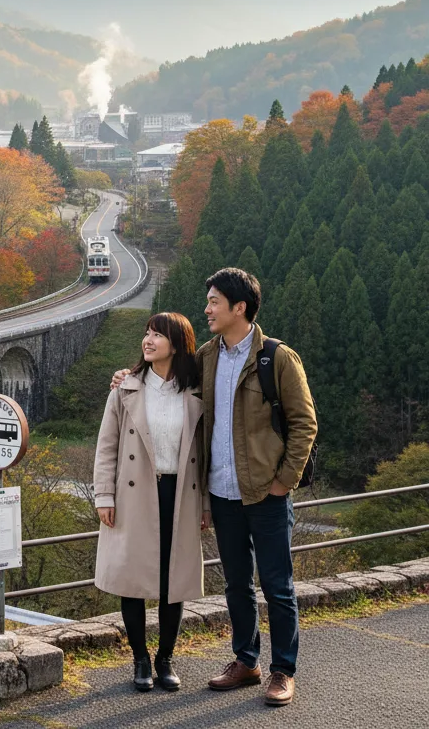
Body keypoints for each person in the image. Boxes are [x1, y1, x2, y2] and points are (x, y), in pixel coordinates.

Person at [109, 268, 317, 707]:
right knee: (237, 584)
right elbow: (157, 378)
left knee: (277, 585)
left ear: (239, 307)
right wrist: (123, 378)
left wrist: (284, 481)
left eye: (214, 302)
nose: (206, 309)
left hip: (265, 491)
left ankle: (283, 670)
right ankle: (246, 660)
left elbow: (304, 424)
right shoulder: (205, 356)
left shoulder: (277, 358)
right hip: (220, 492)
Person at [93, 312, 208, 693]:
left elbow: (204, 454)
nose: (148, 339)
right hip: (134, 493)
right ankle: (140, 658)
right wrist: (104, 495)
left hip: (180, 493)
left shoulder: (195, 392)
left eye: (157, 335)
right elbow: (106, 447)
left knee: (172, 580)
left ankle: (165, 659)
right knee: (133, 579)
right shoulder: (125, 389)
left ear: (177, 343)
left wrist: (206, 504)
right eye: (147, 333)